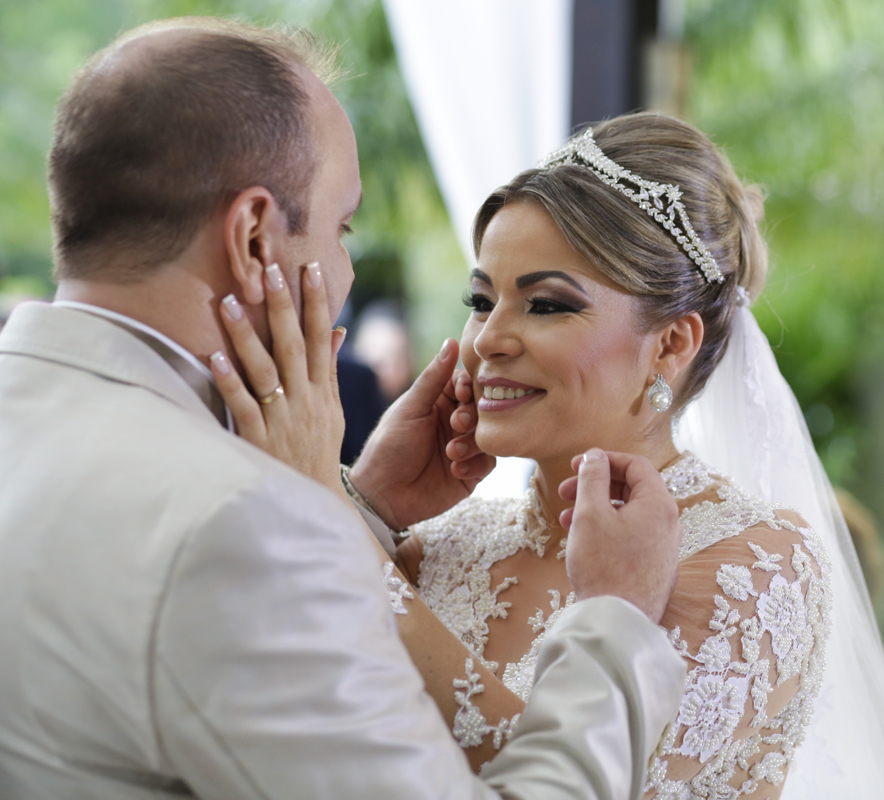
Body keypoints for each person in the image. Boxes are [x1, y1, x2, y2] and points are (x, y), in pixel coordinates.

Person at [0, 18, 690, 800]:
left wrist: (360, 506)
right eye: (342, 227)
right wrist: (615, 621)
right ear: (254, 238)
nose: (346, 271)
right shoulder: (239, 527)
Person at [229, 115, 884, 798]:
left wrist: (331, 514)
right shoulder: (441, 547)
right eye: (481, 300)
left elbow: (580, 778)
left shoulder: (757, 568)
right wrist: (367, 505)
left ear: (671, 345)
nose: (488, 339)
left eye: (546, 305)